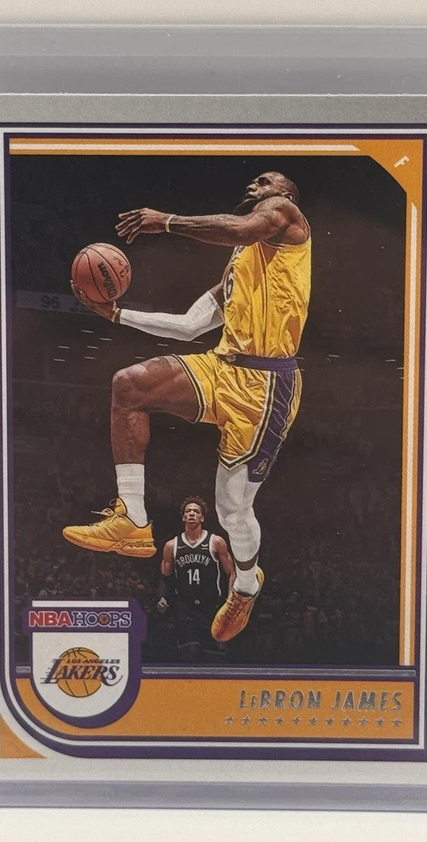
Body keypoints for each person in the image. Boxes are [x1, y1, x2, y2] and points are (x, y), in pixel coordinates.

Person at [63, 171, 311, 642]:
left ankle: (245, 585)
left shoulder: (286, 216)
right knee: (129, 386)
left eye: (266, 180)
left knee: (232, 511)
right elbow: (189, 326)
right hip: (222, 366)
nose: (255, 183)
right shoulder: (240, 265)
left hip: (266, 385)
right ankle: (133, 520)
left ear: (285, 194)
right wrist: (117, 314)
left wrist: (167, 221)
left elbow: (244, 228)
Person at [156, 497, 235, 661]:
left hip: (212, 606)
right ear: (183, 517)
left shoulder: (216, 542)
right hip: (185, 608)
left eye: (196, 511)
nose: (192, 513)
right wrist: (162, 597)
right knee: (190, 652)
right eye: (188, 511)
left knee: (214, 656)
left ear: (202, 518)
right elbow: (165, 576)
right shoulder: (172, 545)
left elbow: (231, 573)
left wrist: (230, 600)